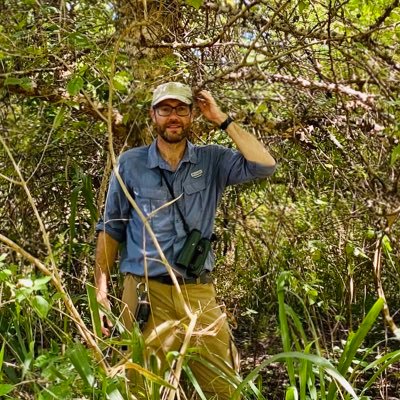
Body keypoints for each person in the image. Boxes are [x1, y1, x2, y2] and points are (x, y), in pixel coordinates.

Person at [94, 82, 276, 399]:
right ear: (154, 115)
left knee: (225, 387)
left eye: (181, 109)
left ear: (192, 115)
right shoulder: (130, 164)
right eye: (165, 109)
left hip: (198, 292)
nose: (173, 117)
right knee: (138, 389)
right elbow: (111, 228)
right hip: (144, 293)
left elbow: (264, 165)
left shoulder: (213, 160)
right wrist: (101, 290)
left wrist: (221, 118)